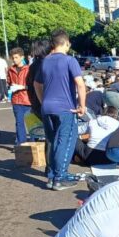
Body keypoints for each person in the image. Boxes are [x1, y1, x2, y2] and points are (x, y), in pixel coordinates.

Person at [34, 30, 87, 190]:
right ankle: (60, 177)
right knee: (65, 141)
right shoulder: (70, 61)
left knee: (52, 141)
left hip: (47, 107)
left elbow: (37, 84)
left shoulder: (45, 61)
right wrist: (82, 105)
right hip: (65, 108)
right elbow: (80, 84)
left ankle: (51, 176)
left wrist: (43, 101)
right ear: (66, 43)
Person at [7, 47, 32, 145]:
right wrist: (11, 87)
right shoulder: (11, 69)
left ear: (22, 57)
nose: (14, 60)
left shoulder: (28, 69)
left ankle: (33, 143)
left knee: (31, 123)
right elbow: (9, 82)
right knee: (19, 122)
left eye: (16, 57)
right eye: (13, 58)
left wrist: (22, 87)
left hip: (27, 99)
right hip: (16, 100)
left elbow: (32, 85)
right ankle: (21, 143)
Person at [26, 39, 49, 117]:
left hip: (36, 103)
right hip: (47, 103)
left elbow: (29, 86)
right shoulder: (47, 64)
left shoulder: (33, 66)